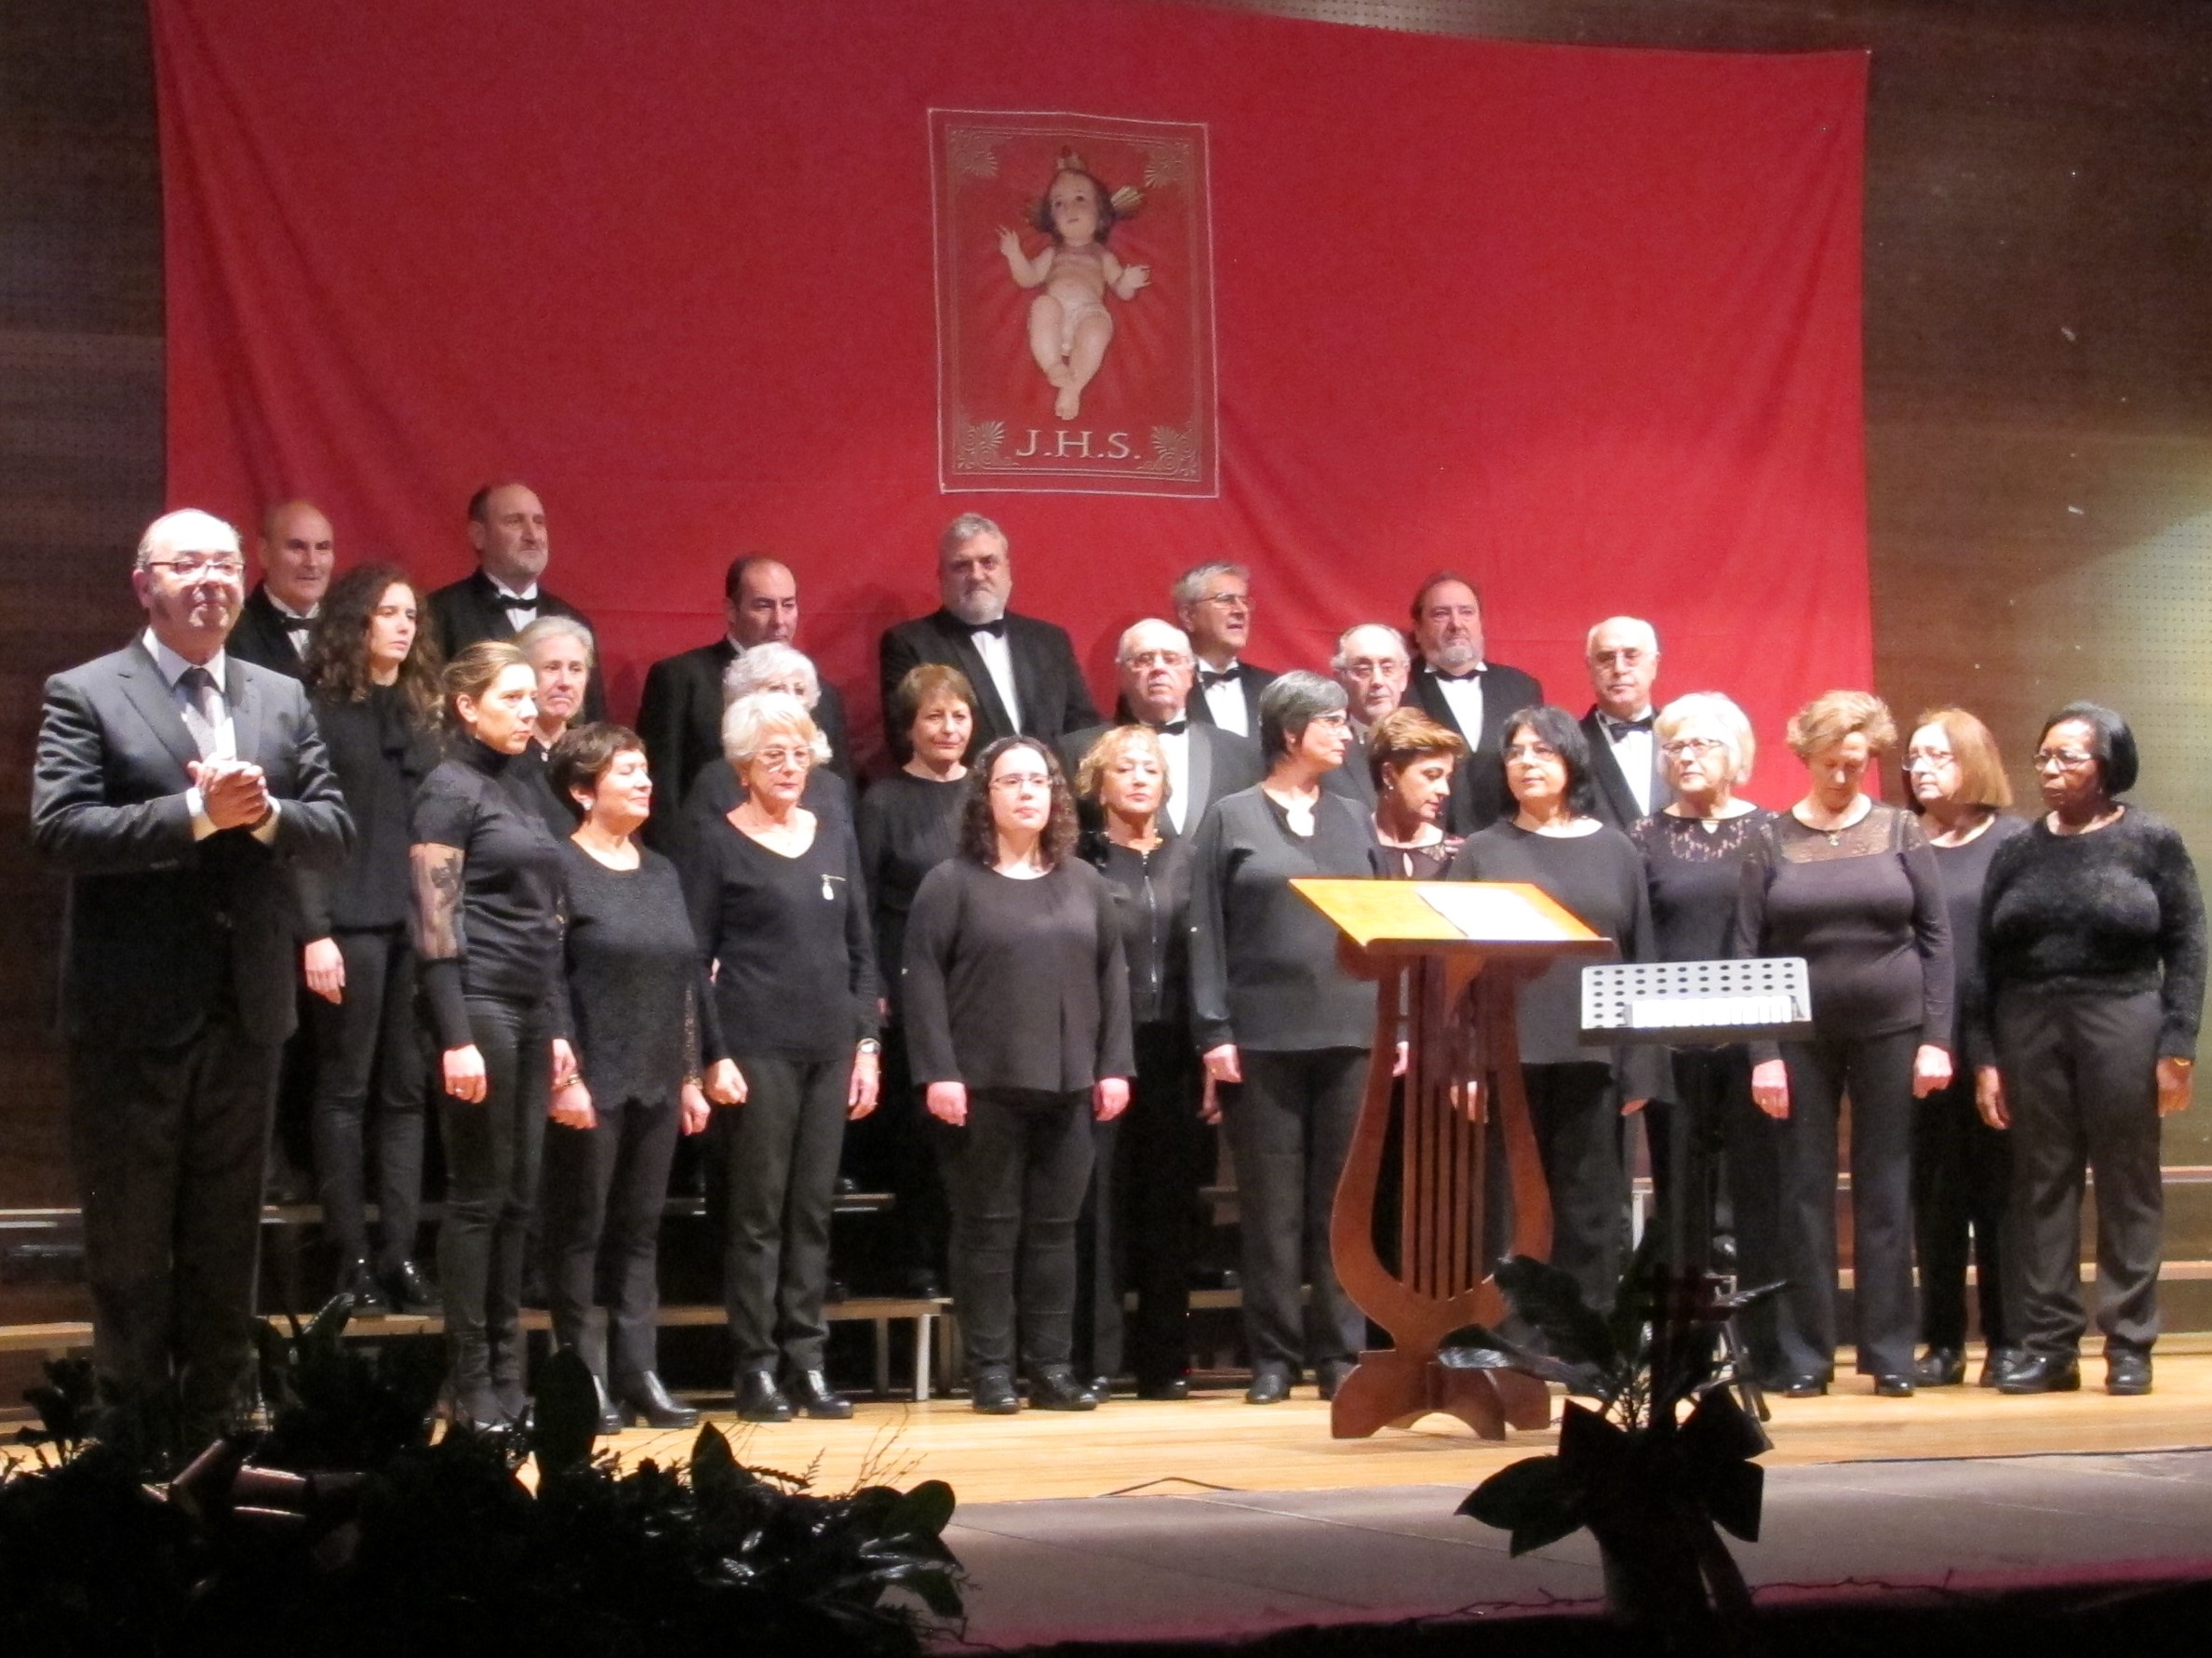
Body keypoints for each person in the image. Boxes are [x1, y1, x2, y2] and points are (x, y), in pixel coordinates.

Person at [32, 508, 352, 1442]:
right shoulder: (86, 692)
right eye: (188, 565)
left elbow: (334, 826)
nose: (211, 580)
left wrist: (263, 817)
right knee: (131, 1253)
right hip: (130, 1017)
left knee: (224, 1245)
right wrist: (195, 815)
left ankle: (219, 1445)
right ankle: (130, 1450)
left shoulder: (278, 696)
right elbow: (60, 831)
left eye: (224, 564)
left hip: (246, 1011)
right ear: (146, 585)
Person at [1977, 703, 2205, 1397]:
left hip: (2122, 1016)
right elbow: (1985, 960)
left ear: (2107, 767)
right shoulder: (2017, 849)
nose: (2050, 770)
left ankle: (2129, 1343)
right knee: (2041, 1183)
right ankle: (2049, 1348)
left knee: (2126, 1181)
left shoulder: (2149, 840)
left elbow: (2187, 943)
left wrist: (2178, 1044)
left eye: (2067, 757)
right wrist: (1986, 1056)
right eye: (2043, 757)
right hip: (2028, 1022)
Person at [903, 736, 1133, 1413]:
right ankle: (991, 1372)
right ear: (986, 796)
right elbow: (921, 982)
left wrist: (1114, 1066)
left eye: (1039, 781)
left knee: (1056, 1233)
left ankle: (1052, 1369)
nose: (1028, 791)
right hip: (983, 1085)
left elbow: (1112, 978)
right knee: (987, 1230)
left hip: (1069, 1085)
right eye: (1011, 781)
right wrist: (939, 1072)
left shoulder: (1083, 882)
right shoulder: (950, 883)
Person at [1733, 690, 1952, 1399]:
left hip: (1892, 1028)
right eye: (1829, 763)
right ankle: (1806, 1356)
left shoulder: (1899, 830)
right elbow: (1746, 952)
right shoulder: (1767, 838)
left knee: (1886, 1186)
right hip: (1797, 1036)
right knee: (1803, 1192)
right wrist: (1762, 1052)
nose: (1840, 776)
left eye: (1854, 764)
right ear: (1805, 756)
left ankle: (1889, 1354)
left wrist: (1936, 1039)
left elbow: (1935, 939)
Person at [681, 691, 880, 1424]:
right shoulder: (716, 840)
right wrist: (711, 1055)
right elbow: (693, 959)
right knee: (757, 1215)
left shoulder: (833, 834)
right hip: (754, 1046)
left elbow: (861, 950)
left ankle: (808, 1363)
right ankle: (756, 1368)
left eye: (800, 753)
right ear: (742, 767)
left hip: (828, 1047)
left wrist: (866, 1045)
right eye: (773, 755)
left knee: (811, 1213)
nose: (790, 767)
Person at [543, 723, 741, 1433]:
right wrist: (563, 1075)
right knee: (581, 1231)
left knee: (639, 1232)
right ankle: (582, 1378)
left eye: (645, 768)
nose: (643, 781)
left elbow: (686, 978)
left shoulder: (660, 871)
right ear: (582, 791)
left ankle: (639, 1373)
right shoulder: (559, 866)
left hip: (656, 1076)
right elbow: (548, 977)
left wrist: (694, 1071)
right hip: (591, 1079)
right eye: (625, 771)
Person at [1189, 672, 1377, 1405]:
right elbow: (1205, 932)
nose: (1344, 732)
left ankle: (1339, 1351)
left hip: (1349, 1032)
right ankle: (1272, 1356)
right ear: (1290, 732)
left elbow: (1384, 925)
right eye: (1329, 720)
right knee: (1268, 1205)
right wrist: (1213, 1030)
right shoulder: (1231, 817)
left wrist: (1391, 1023)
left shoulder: (1354, 817)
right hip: (1262, 1036)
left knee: (1341, 1202)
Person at [1451, 706, 1669, 1311]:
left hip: (1595, 1056)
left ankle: (1586, 1338)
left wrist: (1641, 1065)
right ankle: (1512, 1340)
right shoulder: (1479, 853)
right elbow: (1455, 975)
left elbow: (1640, 958)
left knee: (1589, 1206)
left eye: (1542, 751)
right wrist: (1463, 1064)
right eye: (1516, 752)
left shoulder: (1616, 850)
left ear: (1571, 761)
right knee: (1510, 1210)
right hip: (1504, 1058)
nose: (1527, 763)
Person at [410, 641, 570, 1426]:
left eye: (531, 697)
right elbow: (434, 924)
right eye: (511, 698)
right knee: (479, 1194)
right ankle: (469, 1377)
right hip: (478, 1002)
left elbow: (548, 917)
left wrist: (559, 1022)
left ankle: (509, 1372)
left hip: (533, 1005)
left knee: (519, 1196)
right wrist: (455, 1036)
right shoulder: (448, 789)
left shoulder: (526, 782)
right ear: (466, 706)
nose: (528, 710)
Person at [296, 563, 444, 1316]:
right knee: (345, 1090)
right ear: (355, 621)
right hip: (347, 919)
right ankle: (349, 1256)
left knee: (406, 1092)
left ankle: (400, 1254)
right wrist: (313, 929)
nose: (402, 625)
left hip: (412, 923)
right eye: (388, 612)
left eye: (410, 614)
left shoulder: (421, 711)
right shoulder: (320, 709)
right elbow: (302, 831)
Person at [1627, 692, 1779, 1376]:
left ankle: (1767, 1348)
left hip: (1753, 1046)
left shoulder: (1769, 831)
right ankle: (1681, 1350)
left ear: (1735, 756)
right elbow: (1637, 940)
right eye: (1675, 746)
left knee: (1757, 1194)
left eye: (1701, 744)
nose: (1686, 757)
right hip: (1672, 1046)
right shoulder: (1643, 836)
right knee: (1681, 1200)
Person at [1072, 725, 1206, 1398]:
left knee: (1168, 1207)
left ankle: (1164, 1361)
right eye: (1123, 768)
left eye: (1149, 768)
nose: (1137, 778)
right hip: (1102, 1049)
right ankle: (1094, 1359)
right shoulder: (1082, 861)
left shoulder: (1190, 858)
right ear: (1099, 784)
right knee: (1099, 1207)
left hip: (1173, 1050)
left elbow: (1208, 959)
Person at [1901, 708, 2029, 1389]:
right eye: (1914, 757)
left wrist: (1993, 1055)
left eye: (1937, 756)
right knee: (1935, 1196)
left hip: (1996, 1045)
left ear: (1973, 762)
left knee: (2000, 1195)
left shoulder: (2013, 842)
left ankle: (2008, 1339)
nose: (1920, 768)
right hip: (1916, 1045)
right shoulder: (1899, 838)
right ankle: (1943, 1341)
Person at [851, 664, 978, 1300]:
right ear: (908, 727)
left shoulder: (987, 793)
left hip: (980, 988)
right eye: (934, 716)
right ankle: (921, 1260)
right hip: (908, 989)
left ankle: (972, 1260)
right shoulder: (883, 800)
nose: (948, 728)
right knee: (921, 1136)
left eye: (958, 715)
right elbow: (863, 900)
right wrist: (873, 982)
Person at [636, 555, 853, 843]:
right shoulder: (681, 679)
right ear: (731, 610)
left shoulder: (824, 694)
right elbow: (661, 793)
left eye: (788, 605)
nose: (779, 620)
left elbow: (840, 798)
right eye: (763, 606)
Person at [878, 514, 1098, 759]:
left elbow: (1083, 727)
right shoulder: (909, 643)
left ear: (1007, 570)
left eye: (988, 562)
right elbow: (904, 738)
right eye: (961, 565)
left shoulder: (1051, 641)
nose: (976, 575)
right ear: (941, 576)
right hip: (964, 784)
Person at [1061, 618, 1262, 836]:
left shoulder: (1239, 755)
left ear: (1190, 673)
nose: (1158, 668)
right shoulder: (1077, 752)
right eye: (1144, 659)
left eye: (1170, 659)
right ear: (1122, 674)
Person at [427, 480, 604, 720]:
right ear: (479, 535)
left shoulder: (573, 621)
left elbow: (593, 721)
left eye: (539, 522)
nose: (532, 535)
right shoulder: (438, 614)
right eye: (515, 521)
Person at [996, 152, 1149, 421]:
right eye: (1058, 203)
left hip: (1088, 313)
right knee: (1042, 305)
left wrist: (1128, 281)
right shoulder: (1053, 253)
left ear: (1101, 215)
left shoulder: (1102, 256)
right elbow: (1028, 278)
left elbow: (1121, 290)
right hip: (1055, 313)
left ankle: (1073, 387)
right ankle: (1053, 365)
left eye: (1080, 199)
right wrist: (1014, 255)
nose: (1069, 209)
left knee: (1098, 329)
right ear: (1051, 220)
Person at [1403, 573, 1542, 836]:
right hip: (1426, 847)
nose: (1456, 624)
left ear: (1480, 623)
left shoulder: (1522, 688)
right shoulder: (1399, 688)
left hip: (1509, 845)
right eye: (1441, 614)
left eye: (1466, 612)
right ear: (1418, 629)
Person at [679, 642, 852, 831]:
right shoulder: (715, 781)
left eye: (799, 690)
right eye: (776, 689)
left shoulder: (831, 786)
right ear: (746, 698)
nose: (791, 699)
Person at [1579, 617, 1669, 829]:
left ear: (1654, 664)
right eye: (1606, 657)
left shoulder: (1683, 740)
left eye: (1631, 656)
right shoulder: (1567, 747)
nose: (1619, 669)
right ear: (1590, 667)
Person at [228, 500, 336, 679]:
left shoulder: (355, 629)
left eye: (322, 548)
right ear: (264, 553)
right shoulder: (232, 631)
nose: (312, 562)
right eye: (297, 547)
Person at [1171, 563, 1275, 742]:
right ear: (1189, 616)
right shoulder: (1162, 687)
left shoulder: (1273, 688)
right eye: (1226, 599)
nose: (1241, 610)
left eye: (1244, 601)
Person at [513, 615, 597, 836]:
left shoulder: (594, 756)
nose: (565, 682)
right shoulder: (501, 757)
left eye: (576, 669)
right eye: (551, 667)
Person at [1367, 707, 1468, 879]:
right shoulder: (1354, 845)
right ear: (1389, 775)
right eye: (1431, 775)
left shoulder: (1457, 855)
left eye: (1447, 778)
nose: (1445, 790)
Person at [1325, 622, 1413, 813]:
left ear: (1404, 676)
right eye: (1364, 670)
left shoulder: (1432, 747)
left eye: (1388, 668)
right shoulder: (1323, 751)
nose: (1378, 681)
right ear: (1340, 678)